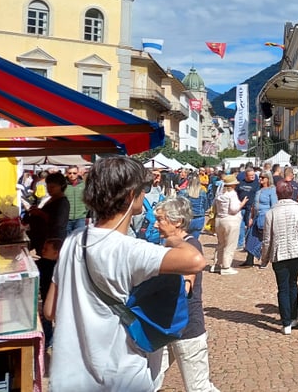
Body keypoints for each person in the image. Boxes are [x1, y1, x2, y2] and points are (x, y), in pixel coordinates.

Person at [43, 156, 206, 391]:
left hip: (69, 377)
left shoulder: (73, 241)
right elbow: (195, 260)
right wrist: (173, 239)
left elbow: (50, 310)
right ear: (131, 195)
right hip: (121, 376)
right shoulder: (129, 249)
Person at [154, 197, 220, 392]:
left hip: (187, 328)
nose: (156, 224)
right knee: (147, 381)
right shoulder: (165, 245)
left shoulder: (192, 247)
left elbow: (185, 287)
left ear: (177, 222)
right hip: (164, 326)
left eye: (161, 220)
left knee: (198, 388)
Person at [261, 181, 298, 335]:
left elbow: (267, 240)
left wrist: (264, 259)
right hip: (297, 253)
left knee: (283, 288)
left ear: (277, 195)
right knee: (293, 284)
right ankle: (293, 318)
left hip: (280, 254)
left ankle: (286, 324)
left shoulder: (271, 213)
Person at [213, 175, 247, 275]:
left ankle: (217, 264)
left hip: (219, 219)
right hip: (231, 220)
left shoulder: (220, 193)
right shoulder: (232, 194)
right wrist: (242, 203)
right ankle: (226, 266)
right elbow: (233, 209)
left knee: (221, 243)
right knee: (230, 244)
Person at [243, 173, 276, 267]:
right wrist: (251, 217)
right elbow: (254, 205)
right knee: (250, 237)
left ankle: (264, 261)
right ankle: (249, 259)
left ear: (268, 179)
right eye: (260, 177)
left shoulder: (271, 191)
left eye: (263, 177)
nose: (260, 179)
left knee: (265, 241)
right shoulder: (259, 190)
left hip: (265, 218)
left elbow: (274, 206)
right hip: (256, 217)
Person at [235, 168, 260, 251]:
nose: (253, 177)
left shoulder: (257, 184)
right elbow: (236, 193)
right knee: (240, 226)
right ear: (246, 176)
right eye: (251, 175)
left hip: (250, 208)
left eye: (254, 175)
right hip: (240, 207)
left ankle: (248, 245)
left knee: (249, 227)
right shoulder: (240, 183)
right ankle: (240, 244)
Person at [179, 173, 209, 239]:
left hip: (186, 219)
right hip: (199, 218)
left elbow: (178, 206)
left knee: (183, 241)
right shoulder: (202, 192)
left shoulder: (183, 192)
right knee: (194, 241)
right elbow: (206, 206)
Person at [64, 165, 87, 234]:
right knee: (67, 240)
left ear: (78, 173)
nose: (72, 175)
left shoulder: (84, 185)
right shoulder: (63, 185)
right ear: (67, 173)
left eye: (74, 173)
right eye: (70, 173)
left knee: (79, 239)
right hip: (67, 218)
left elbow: (87, 199)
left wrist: (85, 211)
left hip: (80, 217)